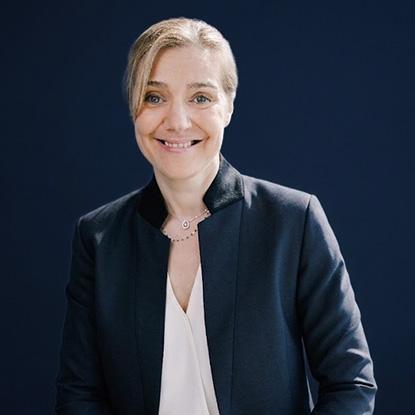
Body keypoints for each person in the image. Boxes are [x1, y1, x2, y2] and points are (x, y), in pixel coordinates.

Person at [55, 16, 377, 415]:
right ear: (134, 108)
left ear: (229, 106)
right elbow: (79, 395)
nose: (177, 121)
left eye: (200, 98)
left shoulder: (294, 221)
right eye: (154, 97)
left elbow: (351, 384)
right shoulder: (99, 237)